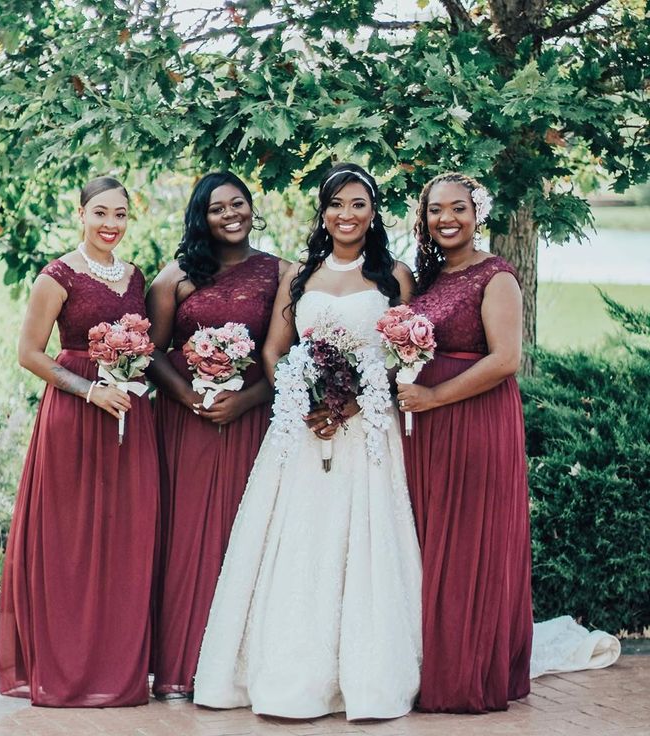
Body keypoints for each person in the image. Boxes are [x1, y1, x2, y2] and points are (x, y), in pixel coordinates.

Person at [193, 163, 422, 720]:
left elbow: (404, 353)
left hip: (366, 429)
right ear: (323, 212)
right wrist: (309, 396)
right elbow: (275, 348)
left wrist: (357, 400)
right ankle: (289, 671)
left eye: (358, 204)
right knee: (297, 544)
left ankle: (365, 676)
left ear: (373, 212)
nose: (346, 215)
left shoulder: (394, 275)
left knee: (365, 543)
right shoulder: (301, 273)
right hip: (303, 427)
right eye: (336, 204)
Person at [0, 176, 159, 707]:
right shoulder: (57, 276)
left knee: (125, 540)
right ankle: (68, 669)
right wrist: (90, 390)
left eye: (121, 215)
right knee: (72, 543)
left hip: (129, 419)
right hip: (75, 416)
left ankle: (116, 668)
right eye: (101, 213)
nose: (111, 224)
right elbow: (29, 353)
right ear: (81, 214)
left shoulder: (136, 277)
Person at [145, 172, 286, 698]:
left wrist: (246, 401)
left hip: (250, 418)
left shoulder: (281, 273)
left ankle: (234, 667)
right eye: (217, 207)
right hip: (186, 422)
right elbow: (151, 349)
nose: (231, 214)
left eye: (239, 203)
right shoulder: (176, 276)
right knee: (187, 537)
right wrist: (187, 397)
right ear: (200, 216)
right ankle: (179, 664)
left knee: (241, 534)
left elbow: (283, 356)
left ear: (253, 208)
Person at [397, 172, 533, 713]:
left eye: (458, 208)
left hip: (475, 422)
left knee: (467, 544)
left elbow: (505, 360)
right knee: (432, 545)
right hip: (429, 430)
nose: (446, 219)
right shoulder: (430, 277)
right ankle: (432, 660)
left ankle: (467, 675)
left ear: (478, 213)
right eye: (435, 210)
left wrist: (434, 398)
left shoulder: (495, 275)